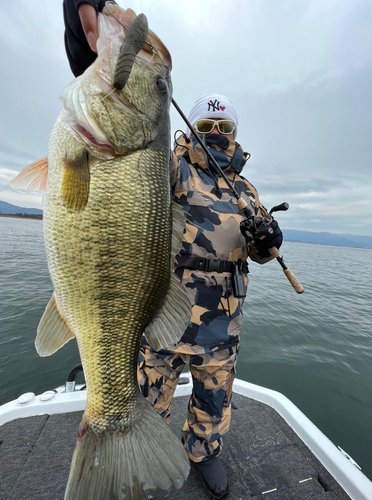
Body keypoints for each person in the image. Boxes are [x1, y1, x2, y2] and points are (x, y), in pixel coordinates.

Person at [63, 3, 283, 499]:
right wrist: (93, 54)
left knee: (213, 399)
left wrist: (268, 242)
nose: (215, 135)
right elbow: (121, 156)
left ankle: (202, 452)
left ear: (235, 134)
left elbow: (260, 250)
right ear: (194, 130)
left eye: (224, 129)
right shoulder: (173, 168)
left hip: (223, 324)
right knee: (147, 398)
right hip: (165, 313)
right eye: (207, 127)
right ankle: (143, 456)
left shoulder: (246, 189)